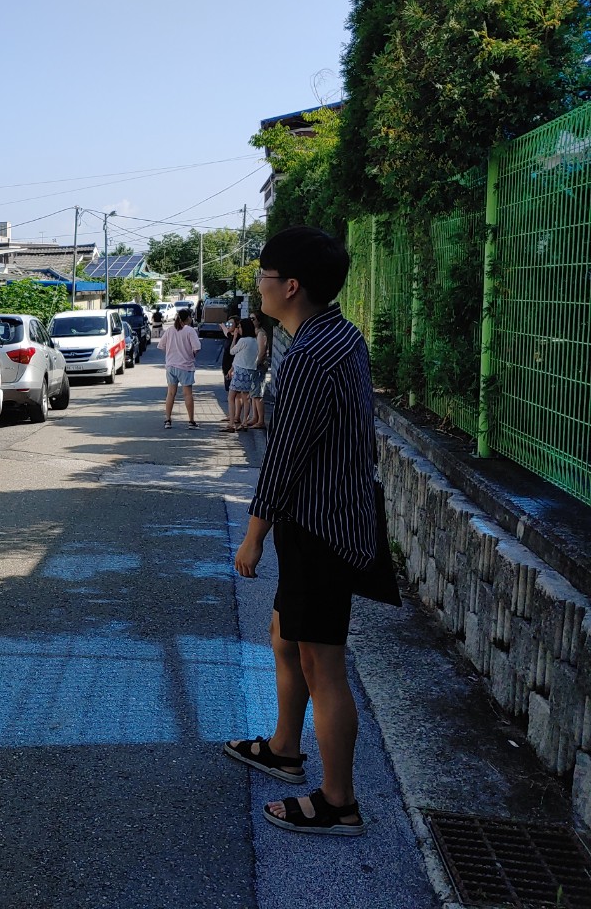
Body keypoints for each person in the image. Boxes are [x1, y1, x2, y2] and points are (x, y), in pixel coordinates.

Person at [226, 226, 377, 837]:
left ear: (290, 285)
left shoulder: (310, 357)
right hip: (328, 515)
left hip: (320, 526)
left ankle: (339, 802)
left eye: (263, 276)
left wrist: (253, 534)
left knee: (321, 662)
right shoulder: (335, 334)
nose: (258, 286)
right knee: (286, 638)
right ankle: (285, 747)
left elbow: (283, 458)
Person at [157, 307, 202, 429]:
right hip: (185, 366)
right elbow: (197, 348)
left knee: (171, 393)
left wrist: (170, 353)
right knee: (187, 394)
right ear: (188, 318)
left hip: (171, 365)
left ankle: (168, 420)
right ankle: (191, 421)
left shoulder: (170, 330)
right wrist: (191, 354)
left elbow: (161, 345)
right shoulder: (190, 330)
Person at [223, 318, 258, 432]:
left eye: (240, 327)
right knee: (246, 397)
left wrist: (234, 338)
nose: (239, 329)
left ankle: (231, 423)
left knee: (231, 396)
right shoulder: (255, 341)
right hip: (250, 371)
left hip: (240, 371)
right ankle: (244, 423)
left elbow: (232, 351)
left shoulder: (243, 340)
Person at [243, 311, 272, 430]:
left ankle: (260, 421)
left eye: (253, 319)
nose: (251, 321)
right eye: (250, 318)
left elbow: (261, 352)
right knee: (253, 394)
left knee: (258, 394)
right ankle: (255, 417)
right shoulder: (254, 333)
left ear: (259, 321)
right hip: (254, 366)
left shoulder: (261, 334)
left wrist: (254, 364)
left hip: (259, 367)